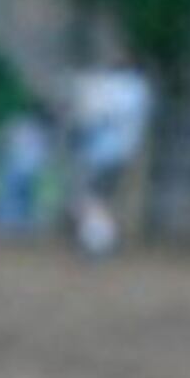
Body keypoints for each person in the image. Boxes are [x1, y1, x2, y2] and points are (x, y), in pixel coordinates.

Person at [66, 45, 153, 254]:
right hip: (123, 149)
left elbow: (96, 112)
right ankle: (99, 238)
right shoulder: (141, 89)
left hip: (105, 150)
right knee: (98, 197)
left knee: (92, 197)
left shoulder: (120, 87)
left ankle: (99, 240)